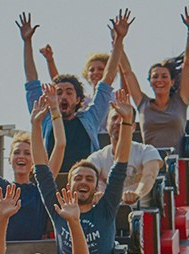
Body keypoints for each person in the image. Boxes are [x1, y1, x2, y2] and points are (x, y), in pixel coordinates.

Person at [32, 87, 136, 254]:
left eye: (89, 179)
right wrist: (36, 125)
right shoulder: (59, 210)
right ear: (69, 185)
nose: (83, 182)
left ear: (96, 186)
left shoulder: (105, 209)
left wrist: (126, 122)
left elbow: (120, 166)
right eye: (78, 178)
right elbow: (41, 171)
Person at [17, 11, 126, 170]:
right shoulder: (45, 118)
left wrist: (119, 40)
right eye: (58, 93)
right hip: (51, 184)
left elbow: (107, 79)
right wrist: (27, 42)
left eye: (69, 92)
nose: (63, 97)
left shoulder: (90, 118)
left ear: (78, 99)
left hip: (82, 183)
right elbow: (32, 81)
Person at [113, 6, 189, 151]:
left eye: (164, 77)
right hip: (149, 162)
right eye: (155, 77)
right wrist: (118, 40)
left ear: (172, 82)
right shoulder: (143, 104)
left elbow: (187, 65)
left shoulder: (180, 101)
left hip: (175, 164)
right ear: (150, 82)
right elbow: (127, 73)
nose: (160, 80)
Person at [0, 87, 52, 242]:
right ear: (9, 159)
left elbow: (58, 149)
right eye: (16, 152)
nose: (21, 156)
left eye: (27, 153)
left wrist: (36, 124)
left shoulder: (40, 190)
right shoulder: (2, 187)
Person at [89, 100, 162, 206]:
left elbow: (149, 176)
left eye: (123, 118)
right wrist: (94, 195)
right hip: (107, 215)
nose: (118, 122)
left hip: (140, 213)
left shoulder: (147, 151)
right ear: (106, 125)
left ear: (132, 127)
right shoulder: (96, 158)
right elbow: (88, 178)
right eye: (114, 118)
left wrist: (137, 194)